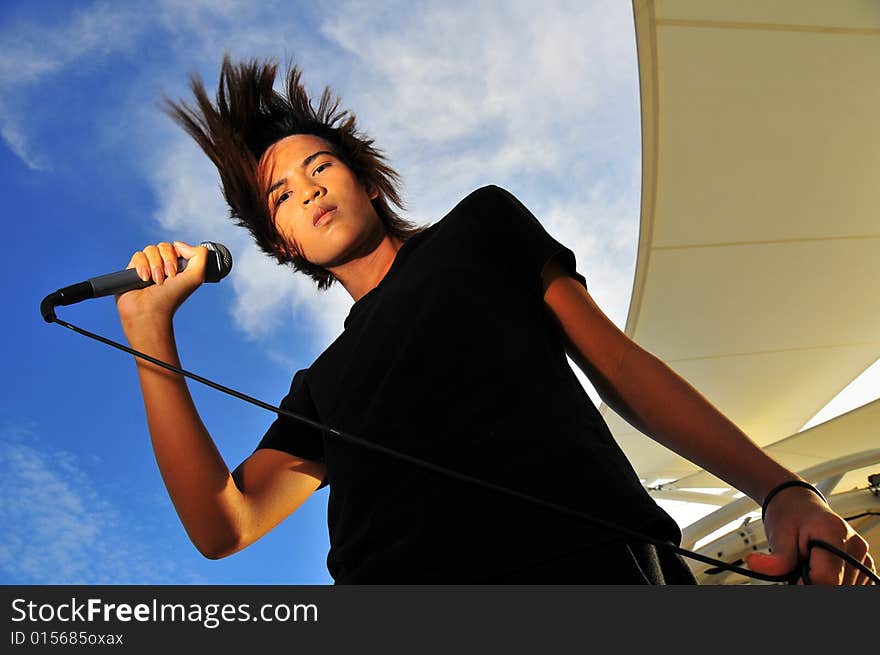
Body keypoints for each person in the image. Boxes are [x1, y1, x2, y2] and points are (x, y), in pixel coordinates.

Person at [115, 55, 875, 584]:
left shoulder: (481, 226)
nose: (310, 190)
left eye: (321, 165)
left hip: (591, 576)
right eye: (283, 194)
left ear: (365, 179)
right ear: (284, 242)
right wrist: (151, 334)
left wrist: (778, 491)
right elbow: (226, 524)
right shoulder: (321, 383)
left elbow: (619, 366)